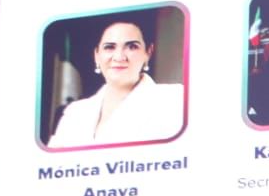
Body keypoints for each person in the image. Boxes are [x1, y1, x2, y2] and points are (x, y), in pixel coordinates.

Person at [49, 19, 185, 147]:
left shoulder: (175, 99)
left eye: (132, 46)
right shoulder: (75, 113)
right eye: (109, 47)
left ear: (148, 53)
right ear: (97, 55)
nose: (119, 57)